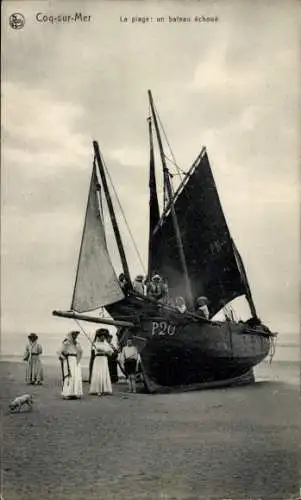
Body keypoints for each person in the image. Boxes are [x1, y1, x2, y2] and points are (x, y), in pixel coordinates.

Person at [58, 331, 83, 400]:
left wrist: (78, 360)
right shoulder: (66, 343)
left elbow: (81, 352)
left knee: (76, 376)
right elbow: (59, 352)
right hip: (69, 360)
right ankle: (67, 393)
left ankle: (75, 393)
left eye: (76, 335)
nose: (75, 336)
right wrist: (64, 358)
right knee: (69, 376)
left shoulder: (77, 343)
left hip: (75, 360)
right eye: (74, 335)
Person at [89, 329, 114, 396]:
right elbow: (94, 351)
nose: (103, 338)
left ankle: (105, 389)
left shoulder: (106, 344)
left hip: (104, 359)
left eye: (104, 336)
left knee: (104, 373)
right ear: (99, 337)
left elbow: (111, 353)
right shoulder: (95, 344)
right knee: (98, 374)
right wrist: (98, 349)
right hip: (98, 359)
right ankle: (98, 390)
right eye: (102, 336)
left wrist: (104, 351)